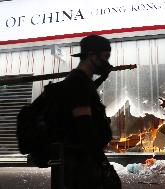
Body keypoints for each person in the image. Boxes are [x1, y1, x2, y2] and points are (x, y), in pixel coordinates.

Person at [57, 34, 121, 189]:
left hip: (83, 158)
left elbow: (88, 92)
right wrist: (100, 160)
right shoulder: (78, 82)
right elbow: (84, 125)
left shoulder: (81, 81)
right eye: (105, 57)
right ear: (91, 55)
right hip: (81, 161)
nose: (106, 62)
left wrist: (103, 78)